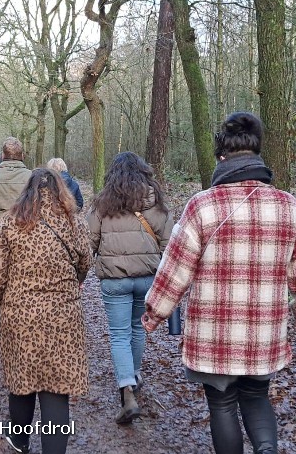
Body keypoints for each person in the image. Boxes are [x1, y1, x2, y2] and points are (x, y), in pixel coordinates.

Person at [142, 112, 296, 454]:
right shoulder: (288, 207)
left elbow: (176, 269)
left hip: (215, 335)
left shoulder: (202, 205)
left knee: (223, 405)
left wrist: (154, 313)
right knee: (257, 397)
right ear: (257, 154)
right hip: (264, 332)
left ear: (221, 157)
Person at [0, 168, 91, 454]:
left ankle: (19, 441)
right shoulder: (73, 221)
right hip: (63, 317)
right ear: (61, 190)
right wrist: (71, 285)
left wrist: (1, 303)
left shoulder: (11, 222)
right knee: (56, 390)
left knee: (21, 379)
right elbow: (85, 262)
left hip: (20, 316)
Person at [87, 151, 171, 424]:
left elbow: (91, 240)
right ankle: (134, 375)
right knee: (138, 328)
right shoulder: (155, 201)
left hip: (114, 279)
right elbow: (167, 240)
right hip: (147, 277)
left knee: (119, 333)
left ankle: (126, 389)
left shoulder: (103, 203)